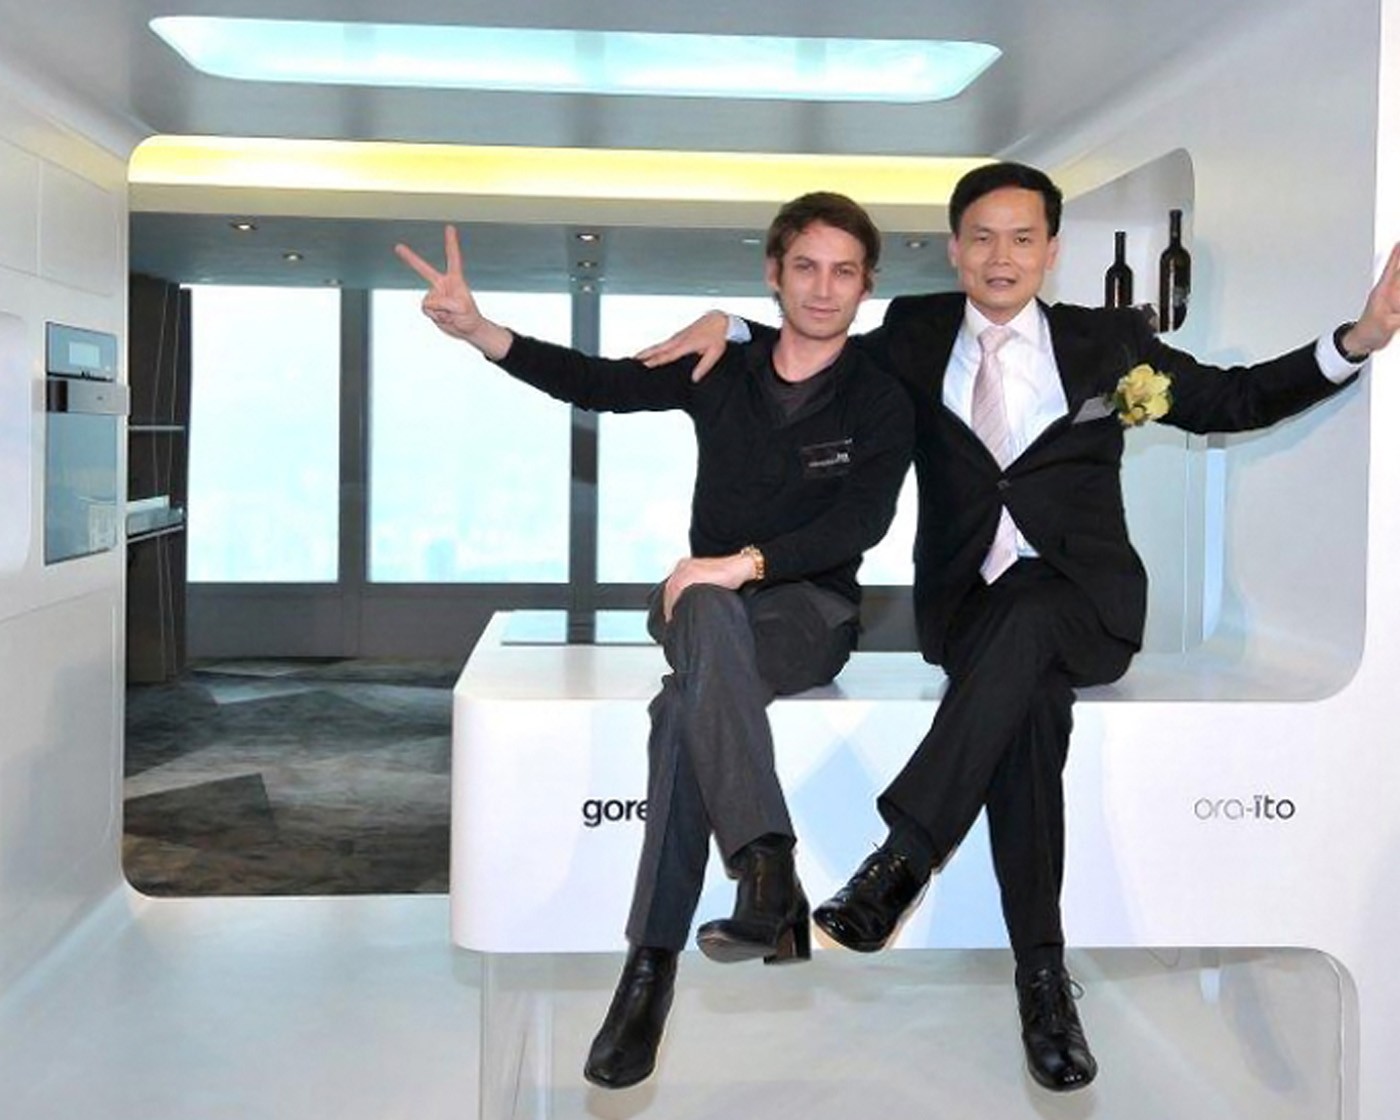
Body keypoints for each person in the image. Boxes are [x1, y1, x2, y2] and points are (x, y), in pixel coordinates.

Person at [638, 160, 1400, 1092]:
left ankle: (904, 857)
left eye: (1023, 238)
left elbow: (1232, 399)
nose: (1002, 256)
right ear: (954, 250)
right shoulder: (912, 335)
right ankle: (1043, 982)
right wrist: (733, 328)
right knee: (1028, 706)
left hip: (1088, 605)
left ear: (1052, 250)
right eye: (983, 238)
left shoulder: (1109, 342)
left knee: (1037, 602)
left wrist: (1358, 339)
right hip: (971, 616)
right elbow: (818, 338)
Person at [394, 193, 914, 1090]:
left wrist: (744, 564)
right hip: (702, 602)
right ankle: (765, 869)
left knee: (682, 705)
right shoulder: (722, 365)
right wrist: (481, 331)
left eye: (844, 271)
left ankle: (651, 971)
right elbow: (599, 383)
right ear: (774, 273)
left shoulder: (879, 395)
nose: (824, 288)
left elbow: (861, 522)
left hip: (809, 613)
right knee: (703, 611)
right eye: (805, 267)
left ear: (868, 285)